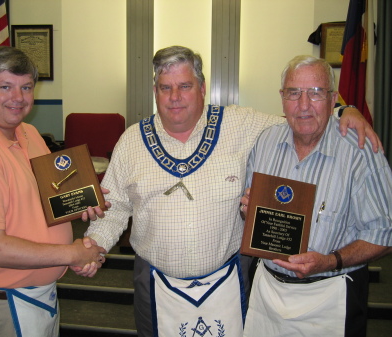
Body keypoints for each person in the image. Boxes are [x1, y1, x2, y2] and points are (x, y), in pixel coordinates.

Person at [83, 46, 379, 337]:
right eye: (165, 87)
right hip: (156, 285)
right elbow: (116, 206)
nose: (174, 97)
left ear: (201, 88)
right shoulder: (131, 142)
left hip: (228, 282)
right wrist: (94, 245)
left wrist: (344, 110)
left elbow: (299, 117)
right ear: (154, 90)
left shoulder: (241, 123)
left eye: (185, 86)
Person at [0, 46, 108, 337]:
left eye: (26, 87)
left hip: (37, 298)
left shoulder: (27, 133)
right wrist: (70, 254)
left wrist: (82, 200)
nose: (18, 98)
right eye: (5, 87)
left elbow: (43, 198)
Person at [241, 55, 392, 337]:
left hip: (330, 295)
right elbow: (248, 211)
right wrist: (246, 210)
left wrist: (330, 260)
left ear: (333, 98)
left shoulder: (360, 151)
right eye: (294, 93)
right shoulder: (265, 141)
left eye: (315, 93)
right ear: (282, 97)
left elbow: (385, 234)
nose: (304, 105)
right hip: (267, 294)